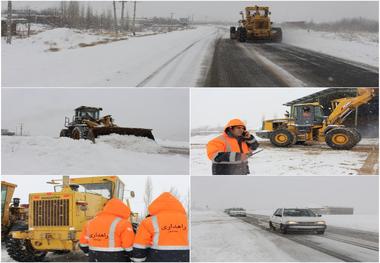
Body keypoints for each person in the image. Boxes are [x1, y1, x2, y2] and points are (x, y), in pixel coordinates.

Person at [132, 192, 189, 262]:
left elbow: (140, 245)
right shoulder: (186, 220)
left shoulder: (149, 221)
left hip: (157, 258)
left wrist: (139, 260)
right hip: (183, 258)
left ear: (156, 205)